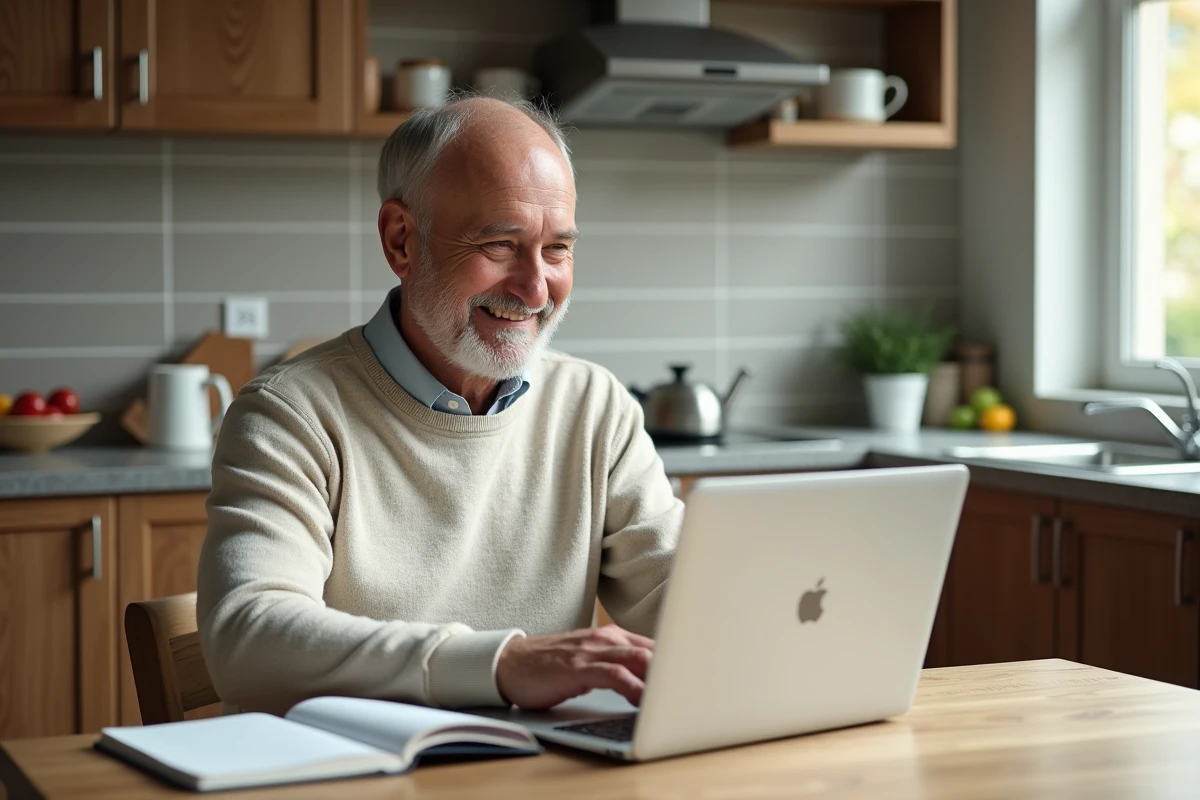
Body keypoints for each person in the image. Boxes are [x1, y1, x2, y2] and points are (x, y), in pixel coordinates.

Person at [196, 96, 683, 716]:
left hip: (541, 763)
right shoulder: (289, 415)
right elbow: (247, 640)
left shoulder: (595, 407)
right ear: (401, 240)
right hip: (360, 765)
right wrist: (503, 665)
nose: (536, 288)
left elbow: (688, 597)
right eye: (500, 244)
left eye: (557, 249)